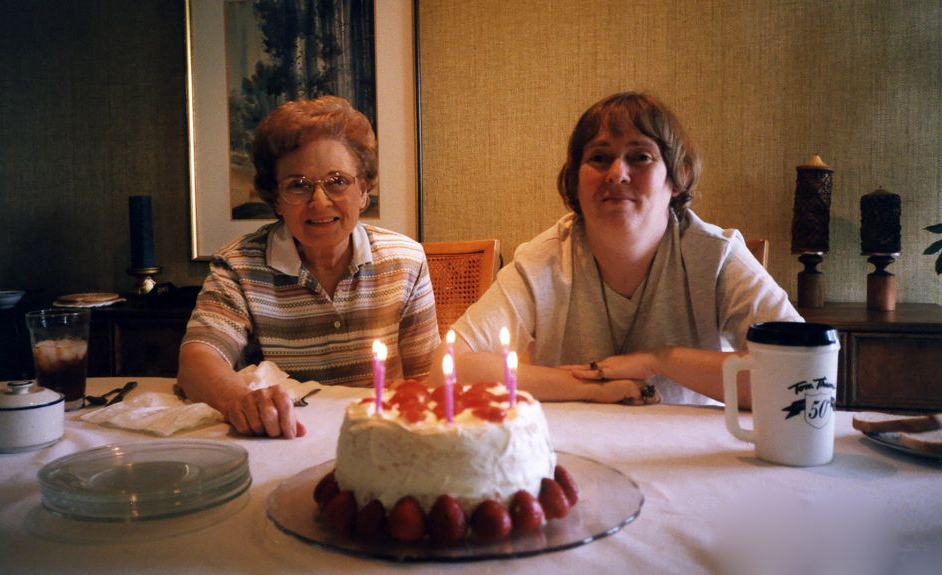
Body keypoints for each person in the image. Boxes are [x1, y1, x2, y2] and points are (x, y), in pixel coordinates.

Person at [441, 91, 801, 407]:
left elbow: (801, 374)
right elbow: (447, 369)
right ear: (574, 181)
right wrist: (591, 389)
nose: (616, 173)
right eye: (599, 158)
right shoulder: (542, 261)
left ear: (679, 178)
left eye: (640, 157)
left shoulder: (716, 256)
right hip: (574, 459)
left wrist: (660, 361)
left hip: (695, 461)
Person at [178, 96, 440, 438]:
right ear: (275, 199)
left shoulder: (406, 261)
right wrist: (240, 401)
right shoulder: (240, 265)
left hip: (377, 440)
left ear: (363, 190)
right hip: (281, 439)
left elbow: (427, 381)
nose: (319, 202)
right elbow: (198, 359)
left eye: (338, 181)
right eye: (298, 185)